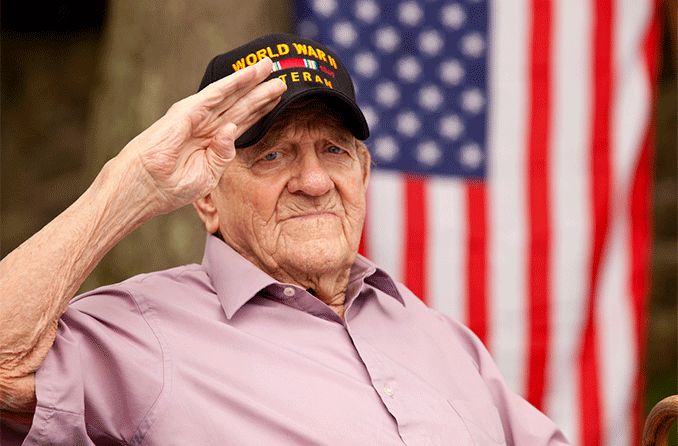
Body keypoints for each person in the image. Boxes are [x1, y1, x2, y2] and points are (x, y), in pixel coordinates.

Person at [0, 33, 569, 445]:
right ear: (206, 196)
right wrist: (136, 181)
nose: (315, 181)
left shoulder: (443, 339)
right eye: (273, 155)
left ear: (363, 173)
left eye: (334, 150)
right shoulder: (142, 334)